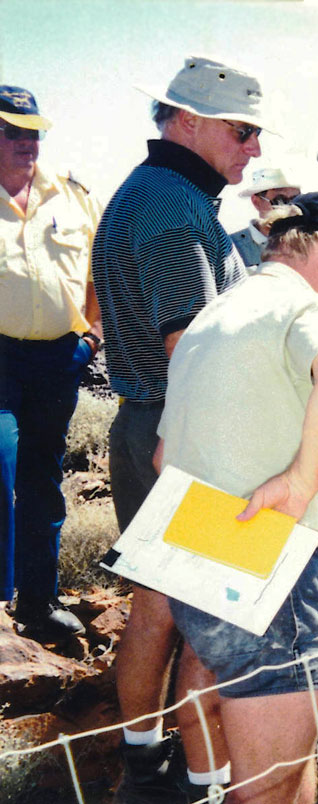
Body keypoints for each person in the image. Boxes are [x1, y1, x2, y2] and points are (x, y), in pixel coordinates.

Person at [157, 192, 318, 804]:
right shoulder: (306, 305)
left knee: (279, 772)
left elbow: (161, 455)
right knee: (264, 788)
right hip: (269, 551)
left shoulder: (212, 318)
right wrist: (305, 480)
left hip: (197, 542)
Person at [91, 55, 263, 802]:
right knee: (204, 624)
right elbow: (190, 343)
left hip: (150, 422)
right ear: (186, 121)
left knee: (156, 608)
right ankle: (202, 782)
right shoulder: (170, 206)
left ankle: (142, 763)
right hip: (185, 429)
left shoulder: (158, 192)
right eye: (242, 130)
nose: (253, 148)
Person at [0, 84, 102, 640]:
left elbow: (103, 272)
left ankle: (37, 603)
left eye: (33, 131)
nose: (27, 143)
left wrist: (92, 338)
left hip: (58, 358)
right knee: (2, 461)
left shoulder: (73, 194)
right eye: (12, 131)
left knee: (43, 479)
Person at [230, 167, 300, 267]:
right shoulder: (231, 249)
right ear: (256, 202)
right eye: (279, 200)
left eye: (296, 200)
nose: (289, 207)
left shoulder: (312, 243)